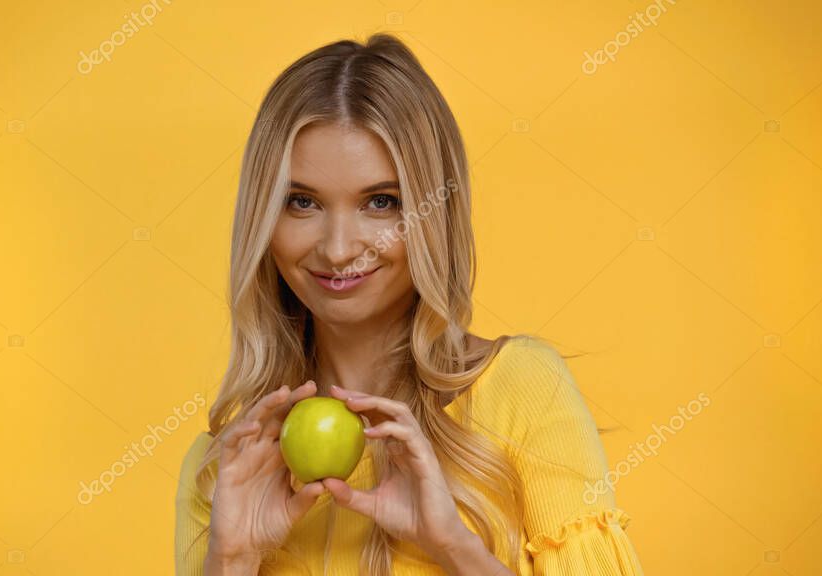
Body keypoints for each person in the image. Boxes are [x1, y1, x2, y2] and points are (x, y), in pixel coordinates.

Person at [175, 33, 645, 576]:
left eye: (381, 202)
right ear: (263, 219)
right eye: (301, 202)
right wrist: (232, 560)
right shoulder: (225, 467)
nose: (338, 248)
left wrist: (453, 546)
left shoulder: (521, 391)